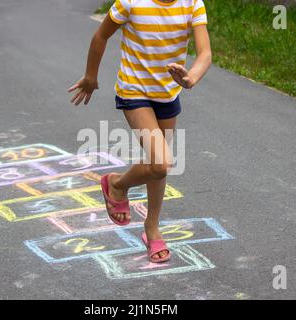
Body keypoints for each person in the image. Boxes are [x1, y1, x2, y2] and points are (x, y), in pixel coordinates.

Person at [69, 0, 212, 262]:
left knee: (157, 165)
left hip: (168, 93)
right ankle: (116, 184)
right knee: (161, 163)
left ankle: (152, 227)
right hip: (134, 91)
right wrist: (91, 77)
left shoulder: (192, 3)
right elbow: (101, 35)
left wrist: (190, 78)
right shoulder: (131, 2)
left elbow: (205, 53)